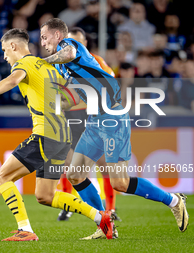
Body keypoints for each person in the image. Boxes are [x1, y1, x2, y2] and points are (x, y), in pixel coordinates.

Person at [0, 28, 115, 241]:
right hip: (63, 137)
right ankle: (101, 217)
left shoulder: (24, 63)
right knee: (45, 195)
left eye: (5, 50)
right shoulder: (50, 67)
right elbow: (71, 99)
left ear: (14, 46)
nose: (5, 56)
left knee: (2, 177)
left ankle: (25, 229)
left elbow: (13, 80)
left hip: (45, 134)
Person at [40, 18, 189, 238]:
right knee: (75, 174)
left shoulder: (69, 45)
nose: (42, 42)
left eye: (44, 37)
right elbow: (74, 97)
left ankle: (174, 200)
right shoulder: (63, 68)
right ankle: (105, 225)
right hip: (94, 120)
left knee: (120, 182)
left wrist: (43, 62)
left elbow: (69, 54)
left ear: (57, 35)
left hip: (113, 119)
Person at [57, 27, 121, 225]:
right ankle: (70, 206)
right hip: (69, 119)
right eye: (70, 42)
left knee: (104, 165)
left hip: (92, 117)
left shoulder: (96, 61)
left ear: (84, 43)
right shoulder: (60, 65)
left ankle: (110, 209)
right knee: (67, 165)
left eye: (78, 42)